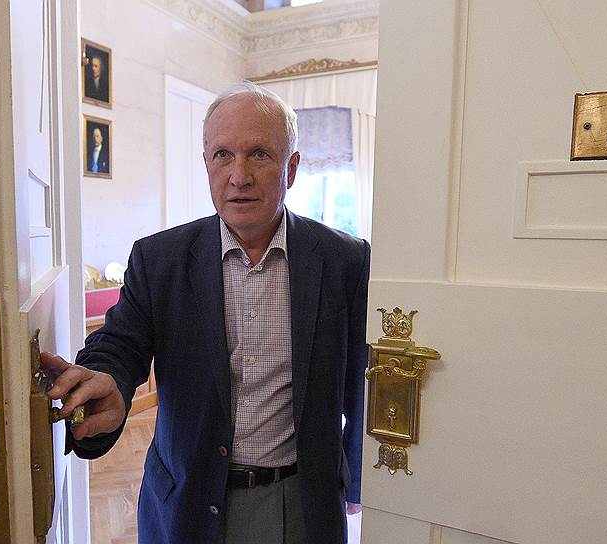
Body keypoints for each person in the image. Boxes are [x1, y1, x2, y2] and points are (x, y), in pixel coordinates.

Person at [41, 81, 369, 543]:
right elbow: (119, 343)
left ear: (291, 168)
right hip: (188, 500)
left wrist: (360, 479)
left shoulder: (344, 260)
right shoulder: (160, 259)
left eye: (259, 154)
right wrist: (107, 381)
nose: (239, 176)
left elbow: (361, 382)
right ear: (207, 164)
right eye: (223, 155)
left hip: (302, 502)